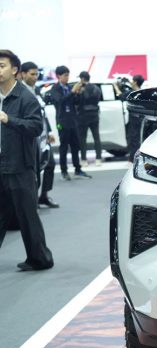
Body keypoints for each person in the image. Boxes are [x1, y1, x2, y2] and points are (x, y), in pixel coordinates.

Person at [0, 50, 54, 271]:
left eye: (1, 65)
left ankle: (40, 259)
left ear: (14, 70)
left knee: (27, 215)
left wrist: (8, 119)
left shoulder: (25, 97)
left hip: (20, 165)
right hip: (2, 163)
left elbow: (35, 127)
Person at [20, 61, 59, 208]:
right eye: (32, 74)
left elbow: (42, 113)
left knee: (50, 164)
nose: (35, 77)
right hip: (30, 137)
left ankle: (44, 195)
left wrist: (49, 131)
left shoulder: (36, 90)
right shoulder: (20, 91)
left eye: (37, 74)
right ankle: (33, 199)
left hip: (42, 136)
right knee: (34, 169)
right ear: (23, 74)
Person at [49, 65, 91, 180]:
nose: (67, 78)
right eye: (65, 75)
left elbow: (77, 103)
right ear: (58, 76)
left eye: (68, 75)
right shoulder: (55, 88)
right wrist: (72, 92)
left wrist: (78, 93)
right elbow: (60, 101)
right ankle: (64, 171)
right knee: (63, 147)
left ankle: (77, 169)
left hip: (73, 120)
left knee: (75, 146)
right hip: (62, 121)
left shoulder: (69, 87)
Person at [113, 74, 144, 162]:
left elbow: (121, 96)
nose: (131, 82)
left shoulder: (132, 93)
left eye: (132, 81)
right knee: (138, 138)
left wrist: (115, 86)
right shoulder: (142, 92)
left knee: (133, 139)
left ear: (135, 82)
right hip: (141, 118)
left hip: (134, 119)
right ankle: (136, 157)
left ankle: (133, 158)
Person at [77, 71, 102, 166]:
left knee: (83, 139)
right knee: (96, 137)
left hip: (83, 116)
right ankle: (98, 159)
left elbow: (78, 101)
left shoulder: (81, 88)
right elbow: (98, 99)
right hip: (94, 114)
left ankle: (84, 160)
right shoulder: (96, 88)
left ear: (82, 79)